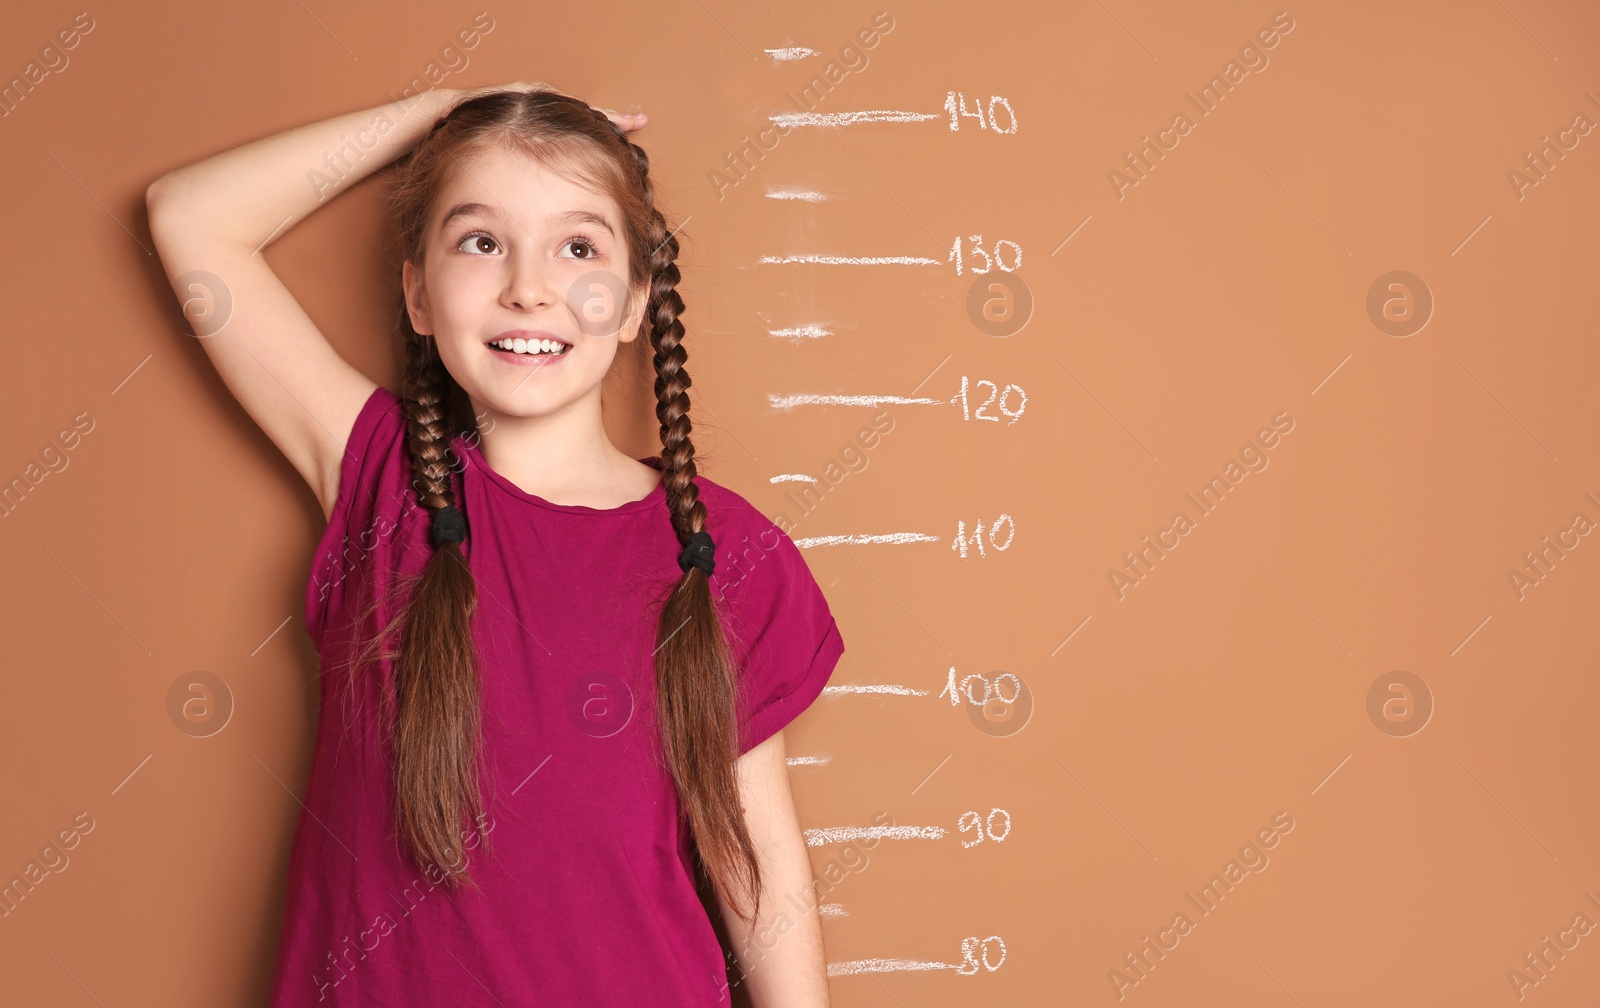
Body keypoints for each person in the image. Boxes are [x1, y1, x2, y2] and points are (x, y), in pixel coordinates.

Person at [145, 83, 845, 1007]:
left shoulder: (724, 551)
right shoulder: (382, 479)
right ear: (418, 295)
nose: (528, 285)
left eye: (579, 247)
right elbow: (190, 218)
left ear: (636, 303)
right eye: (481, 241)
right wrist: (437, 113)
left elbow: (756, 860)